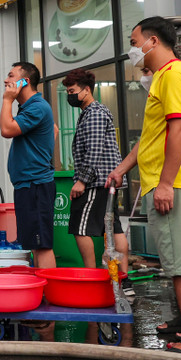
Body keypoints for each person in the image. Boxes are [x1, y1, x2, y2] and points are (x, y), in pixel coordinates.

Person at [108, 16, 181, 359]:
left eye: (134, 40)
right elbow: (153, 137)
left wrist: (166, 184)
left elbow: (180, 131)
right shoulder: (167, 78)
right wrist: (124, 167)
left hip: (176, 184)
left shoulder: (172, 75)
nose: (132, 49)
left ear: (152, 41)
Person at [63, 69, 129, 284]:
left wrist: (82, 180)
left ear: (87, 90)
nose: (69, 95)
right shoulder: (93, 112)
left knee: (80, 227)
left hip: (95, 181)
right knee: (112, 226)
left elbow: (94, 149)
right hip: (105, 180)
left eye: (72, 91)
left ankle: (91, 277)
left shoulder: (95, 113)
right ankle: (122, 277)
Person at [1, 62, 56, 268]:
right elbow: (54, 130)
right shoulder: (30, 108)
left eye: (11, 75)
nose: (6, 80)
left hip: (36, 185)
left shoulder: (37, 107)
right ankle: (43, 292)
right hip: (28, 185)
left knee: (42, 245)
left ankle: (50, 294)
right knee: (34, 243)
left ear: (25, 81)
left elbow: (6, 129)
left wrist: (7, 100)